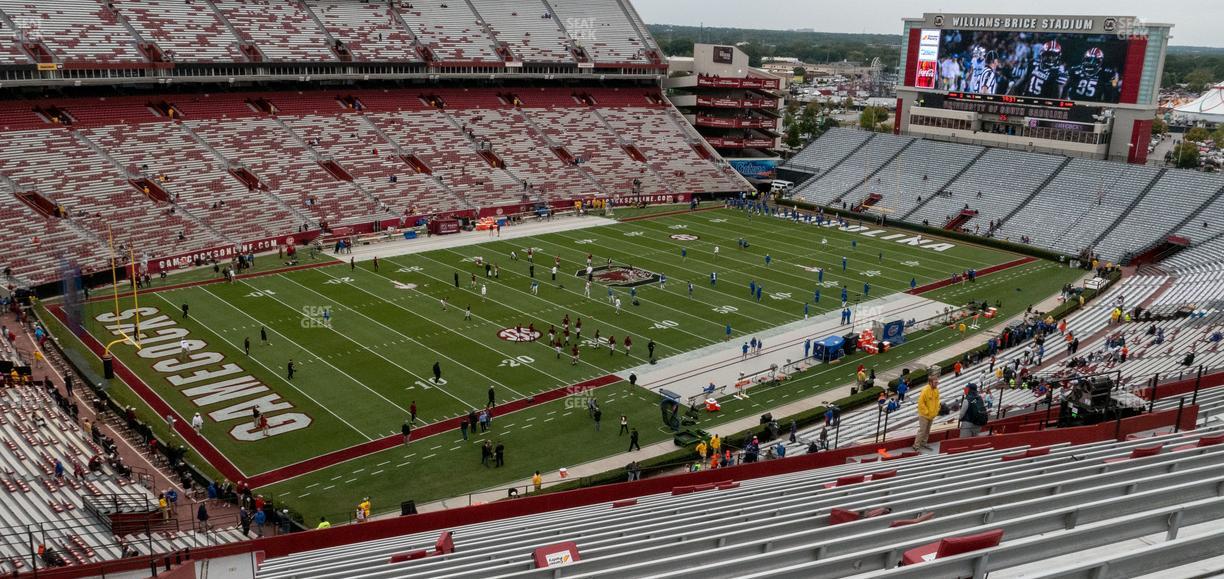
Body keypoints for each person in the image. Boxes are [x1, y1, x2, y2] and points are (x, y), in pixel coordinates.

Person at [914, 378, 941, 451]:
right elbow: (921, 403)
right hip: (924, 415)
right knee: (922, 430)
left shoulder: (936, 390)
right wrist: (927, 412)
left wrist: (937, 410)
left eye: (937, 382)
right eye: (935, 382)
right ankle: (916, 445)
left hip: (932, 415)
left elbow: (938, 401)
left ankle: (924, 443)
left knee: (927, 430)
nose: (936, 384)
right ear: (930, 382)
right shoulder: (925, 390)